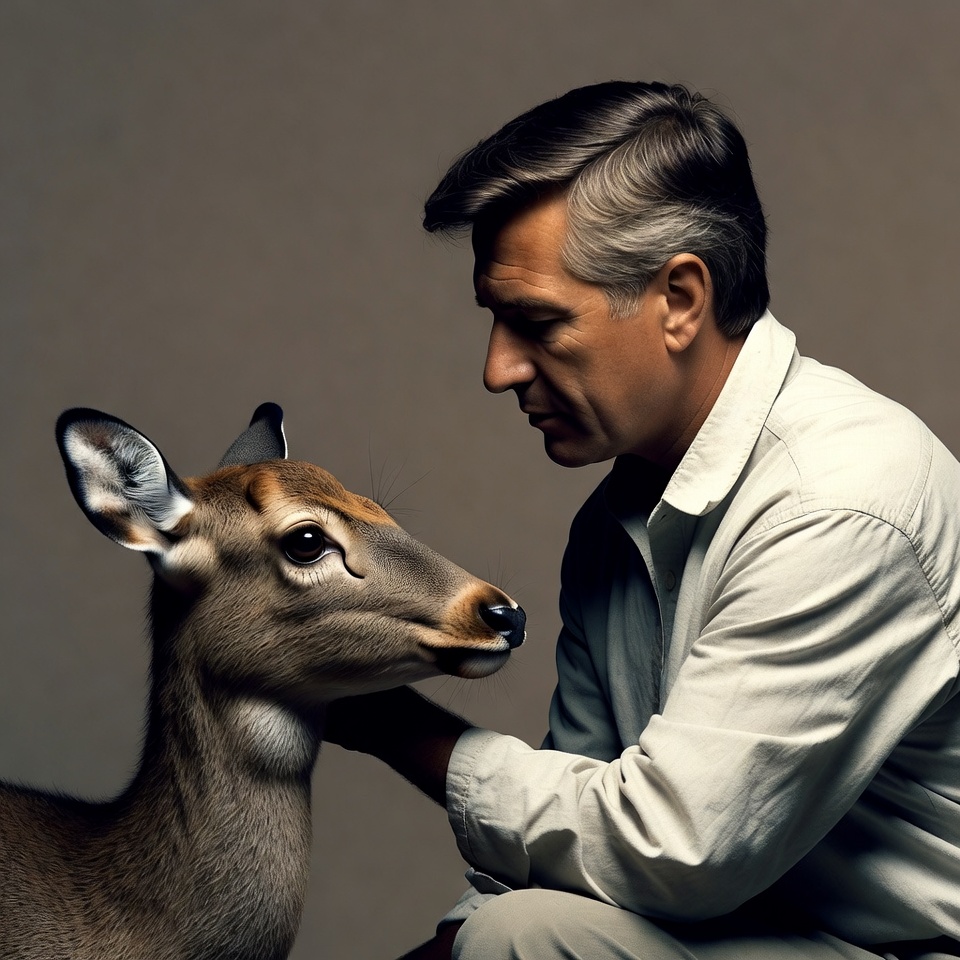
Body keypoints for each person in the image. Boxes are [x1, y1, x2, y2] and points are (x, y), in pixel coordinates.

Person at [325, 81, 960, 959]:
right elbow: (570, 840)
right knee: (510, 929)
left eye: (537, 323)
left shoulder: (839, 500)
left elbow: (675, 848)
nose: (498, 369)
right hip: (749, 935)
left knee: (522, 943)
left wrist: (386, 720)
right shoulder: (616, 524)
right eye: (495, 322)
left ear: (681, 300)